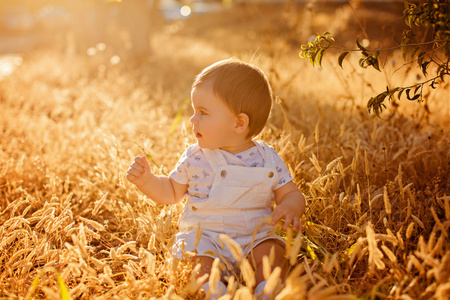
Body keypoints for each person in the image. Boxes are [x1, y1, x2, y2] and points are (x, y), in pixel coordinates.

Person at [126, 58, 306, 299]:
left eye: (203, 112)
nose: (193, 119)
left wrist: (290, 206)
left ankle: (269, 291)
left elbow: (291, 193)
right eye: (194, 111)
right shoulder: (196, 158)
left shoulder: (267, 158)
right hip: (206, 237)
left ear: (239, 123)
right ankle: (214, 292)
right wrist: (147, 181)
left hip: (255, 238)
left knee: (271, 255)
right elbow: (171, 191)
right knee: (198, 260)